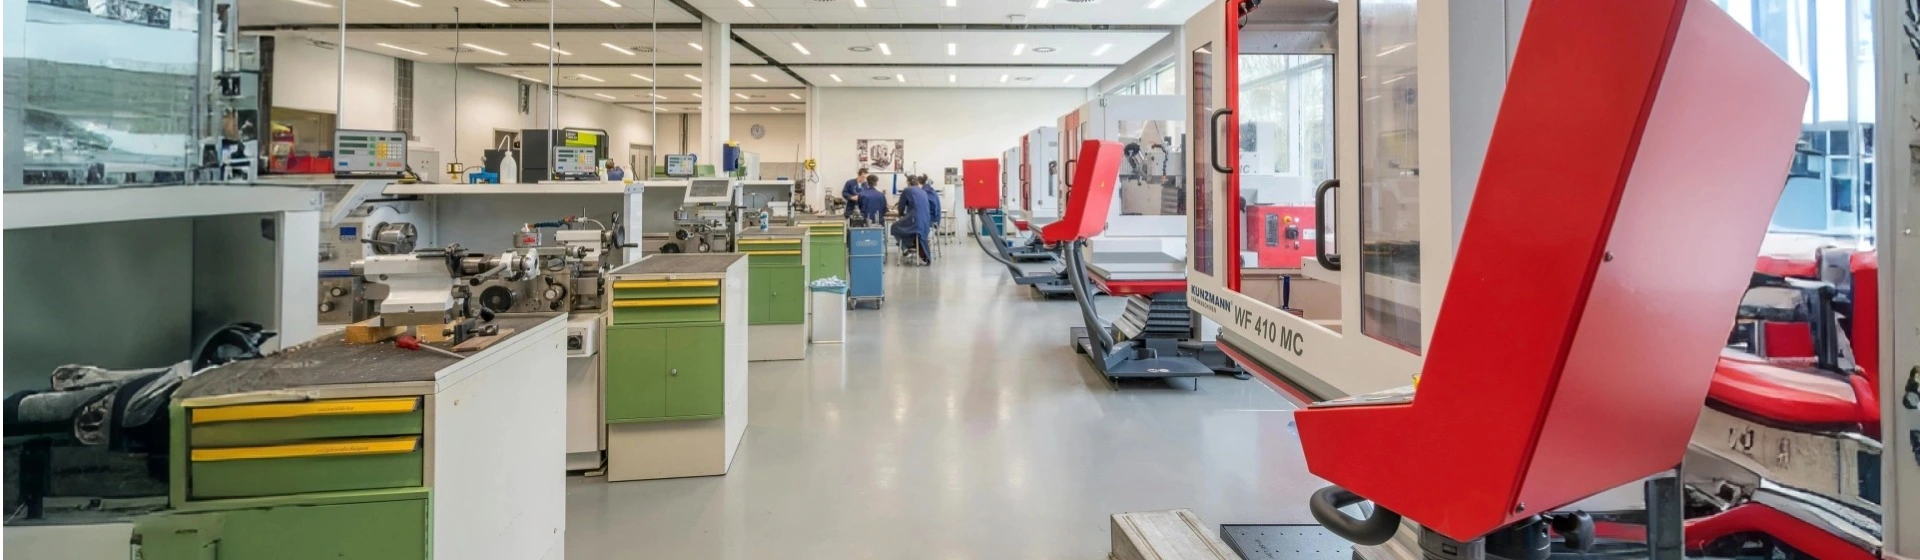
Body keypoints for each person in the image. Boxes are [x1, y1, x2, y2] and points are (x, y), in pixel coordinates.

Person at [895, 175, 932, 264]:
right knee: (905, 228)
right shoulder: (923, 192)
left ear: (908, 182)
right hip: (925, 221)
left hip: (914, 220)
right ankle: (909, 243)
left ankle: (905, 248)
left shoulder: (907, 190)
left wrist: (901, 215)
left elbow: (901, 206)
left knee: (895, 228)